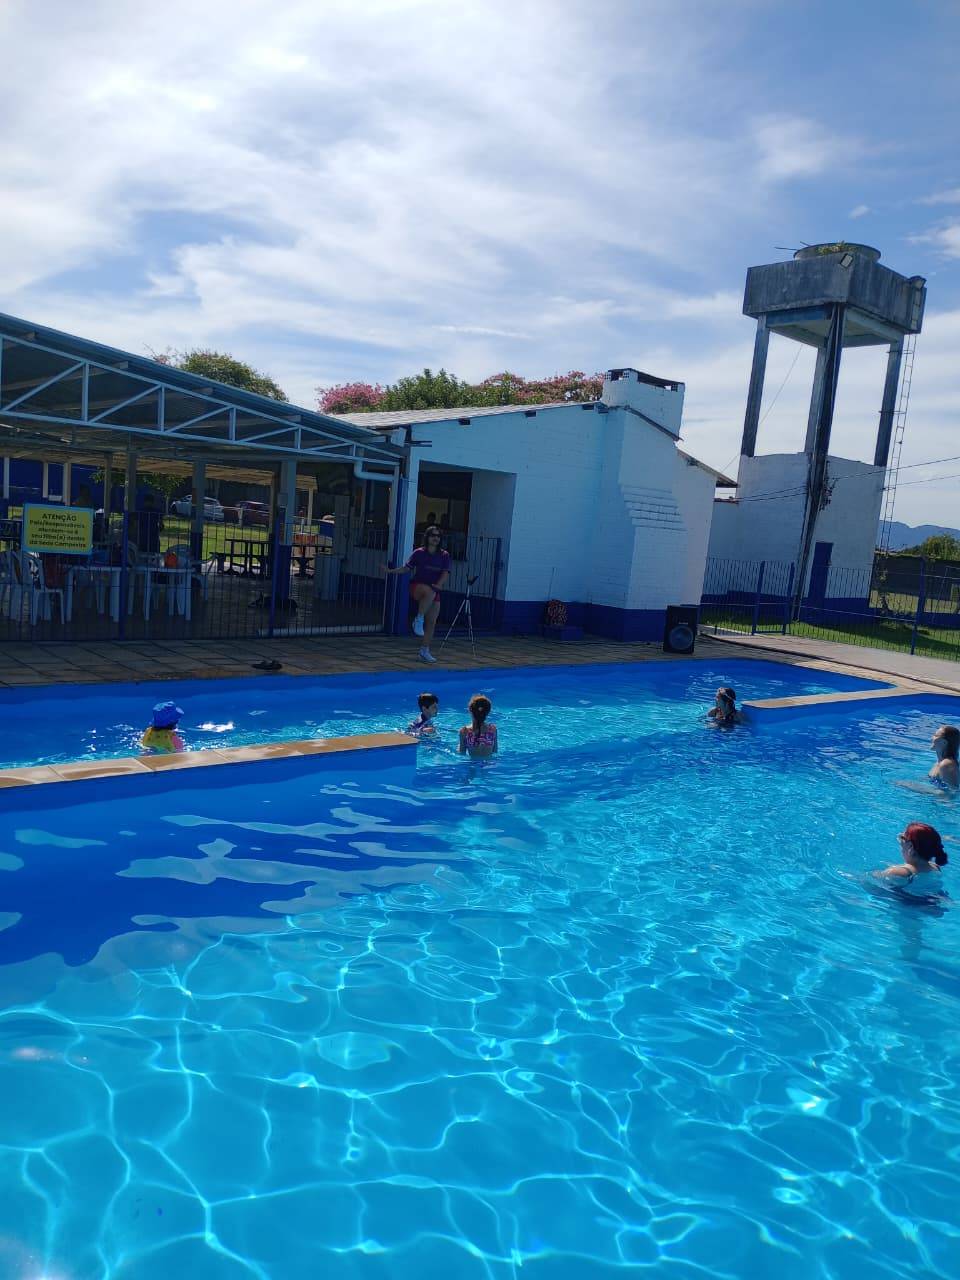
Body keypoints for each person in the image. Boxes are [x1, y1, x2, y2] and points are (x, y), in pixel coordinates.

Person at [383, 526, 450, 664]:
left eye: (438, 536)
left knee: (432, 622)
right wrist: (391, 571)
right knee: (429, 591)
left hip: (434, 589)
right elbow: (406, 568)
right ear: (427, 537)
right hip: (417, 587)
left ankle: (424, 651)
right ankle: (418, 619)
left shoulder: (444, 555)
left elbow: (445, 572)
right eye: (433, 535)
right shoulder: (419, 553)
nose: (435, 538)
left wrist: (440, 584)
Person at [875, 822, 948, 897]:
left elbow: (876, 889)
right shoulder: (936, 868)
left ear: (910, 846)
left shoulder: (898, 872)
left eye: (901, 839)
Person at [458, 694, 498, 759]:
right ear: (487, 712)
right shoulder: (493, 729)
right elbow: (495, 751)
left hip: (472, 765)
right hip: (489, 764)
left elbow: (461, 753)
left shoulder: (464, 731)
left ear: (470, 711)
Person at [929, 725, 959, 791]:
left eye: (936, 735)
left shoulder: (947, 764)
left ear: (944, 742)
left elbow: (953, 792)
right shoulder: (939, 762)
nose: (932, 738)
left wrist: (920, 790)